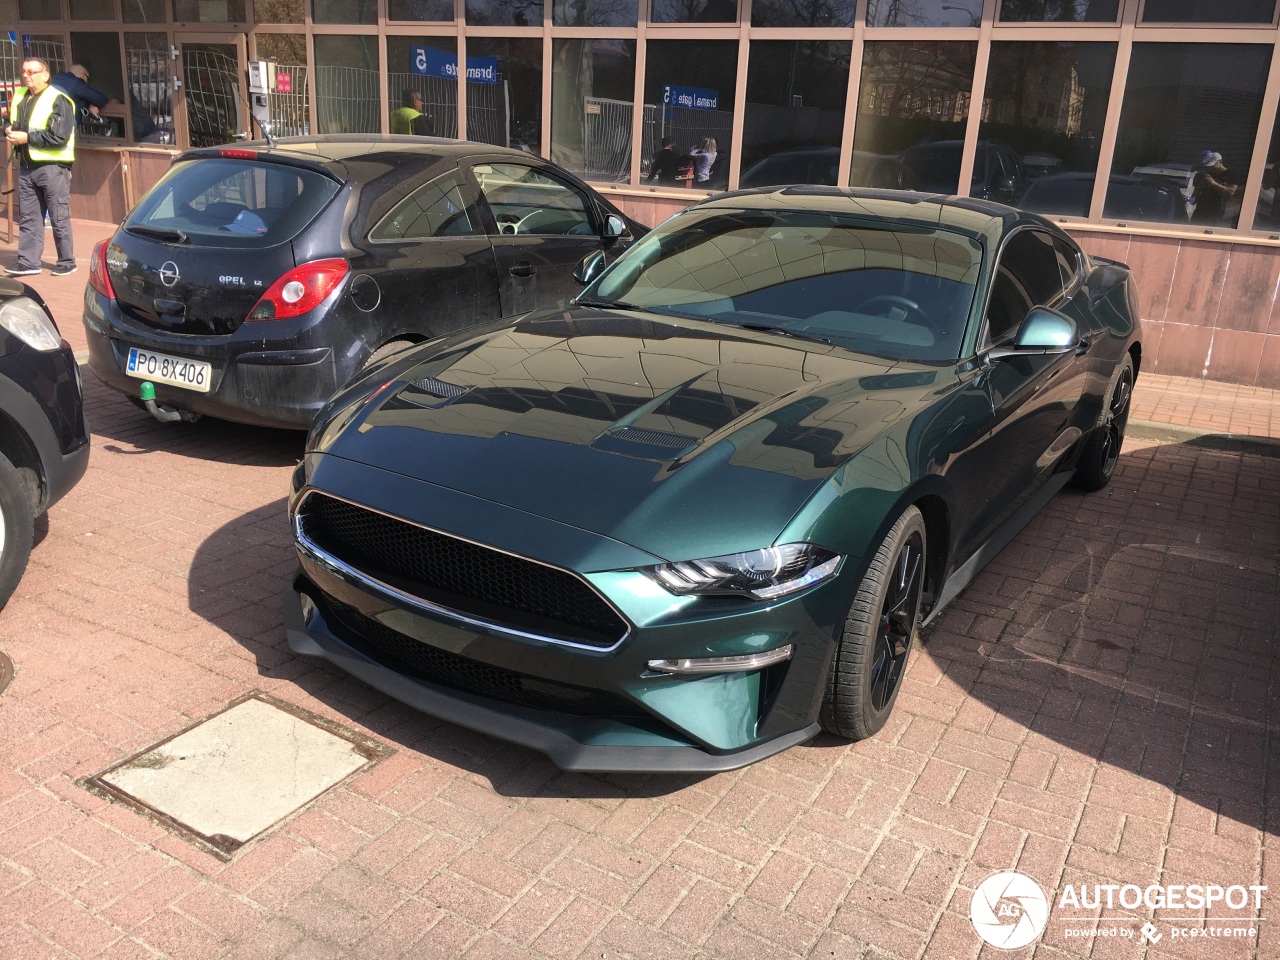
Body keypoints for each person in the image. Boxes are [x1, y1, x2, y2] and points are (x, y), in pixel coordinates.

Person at [5, 58, 78, 277]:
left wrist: (27, 137)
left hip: (52, 167)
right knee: (29, 217)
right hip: (26, 166)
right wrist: (8, 130)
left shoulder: (58, 99)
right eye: (24, 72)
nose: (26, 75)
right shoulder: (20, 96)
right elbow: (11, 123)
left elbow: (59, 137)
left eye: (31, 72)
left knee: (58, 216)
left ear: (45, 75)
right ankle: (28, 263)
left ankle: (67, 261)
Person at [50, 63, 113, 130]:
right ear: (82, 75)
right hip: (63, 129)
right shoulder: (76, 83)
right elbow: (101, 99)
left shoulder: (55, 79)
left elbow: (74, 97)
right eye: (88, 79)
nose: (87, 82)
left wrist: (89, 105)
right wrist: (91, 103)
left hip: (48, 123)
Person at [1192, 150, 1238, 225]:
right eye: (1208, 166)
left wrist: (1214, 184)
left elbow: (1231, 192)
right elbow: (1193, 199)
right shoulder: (1204, 175)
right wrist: (1199, 186)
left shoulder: (1230, 174)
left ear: (1220, 161)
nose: (1210, 168)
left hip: (1217, 214)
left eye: (1212, 165)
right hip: (1200, 212)